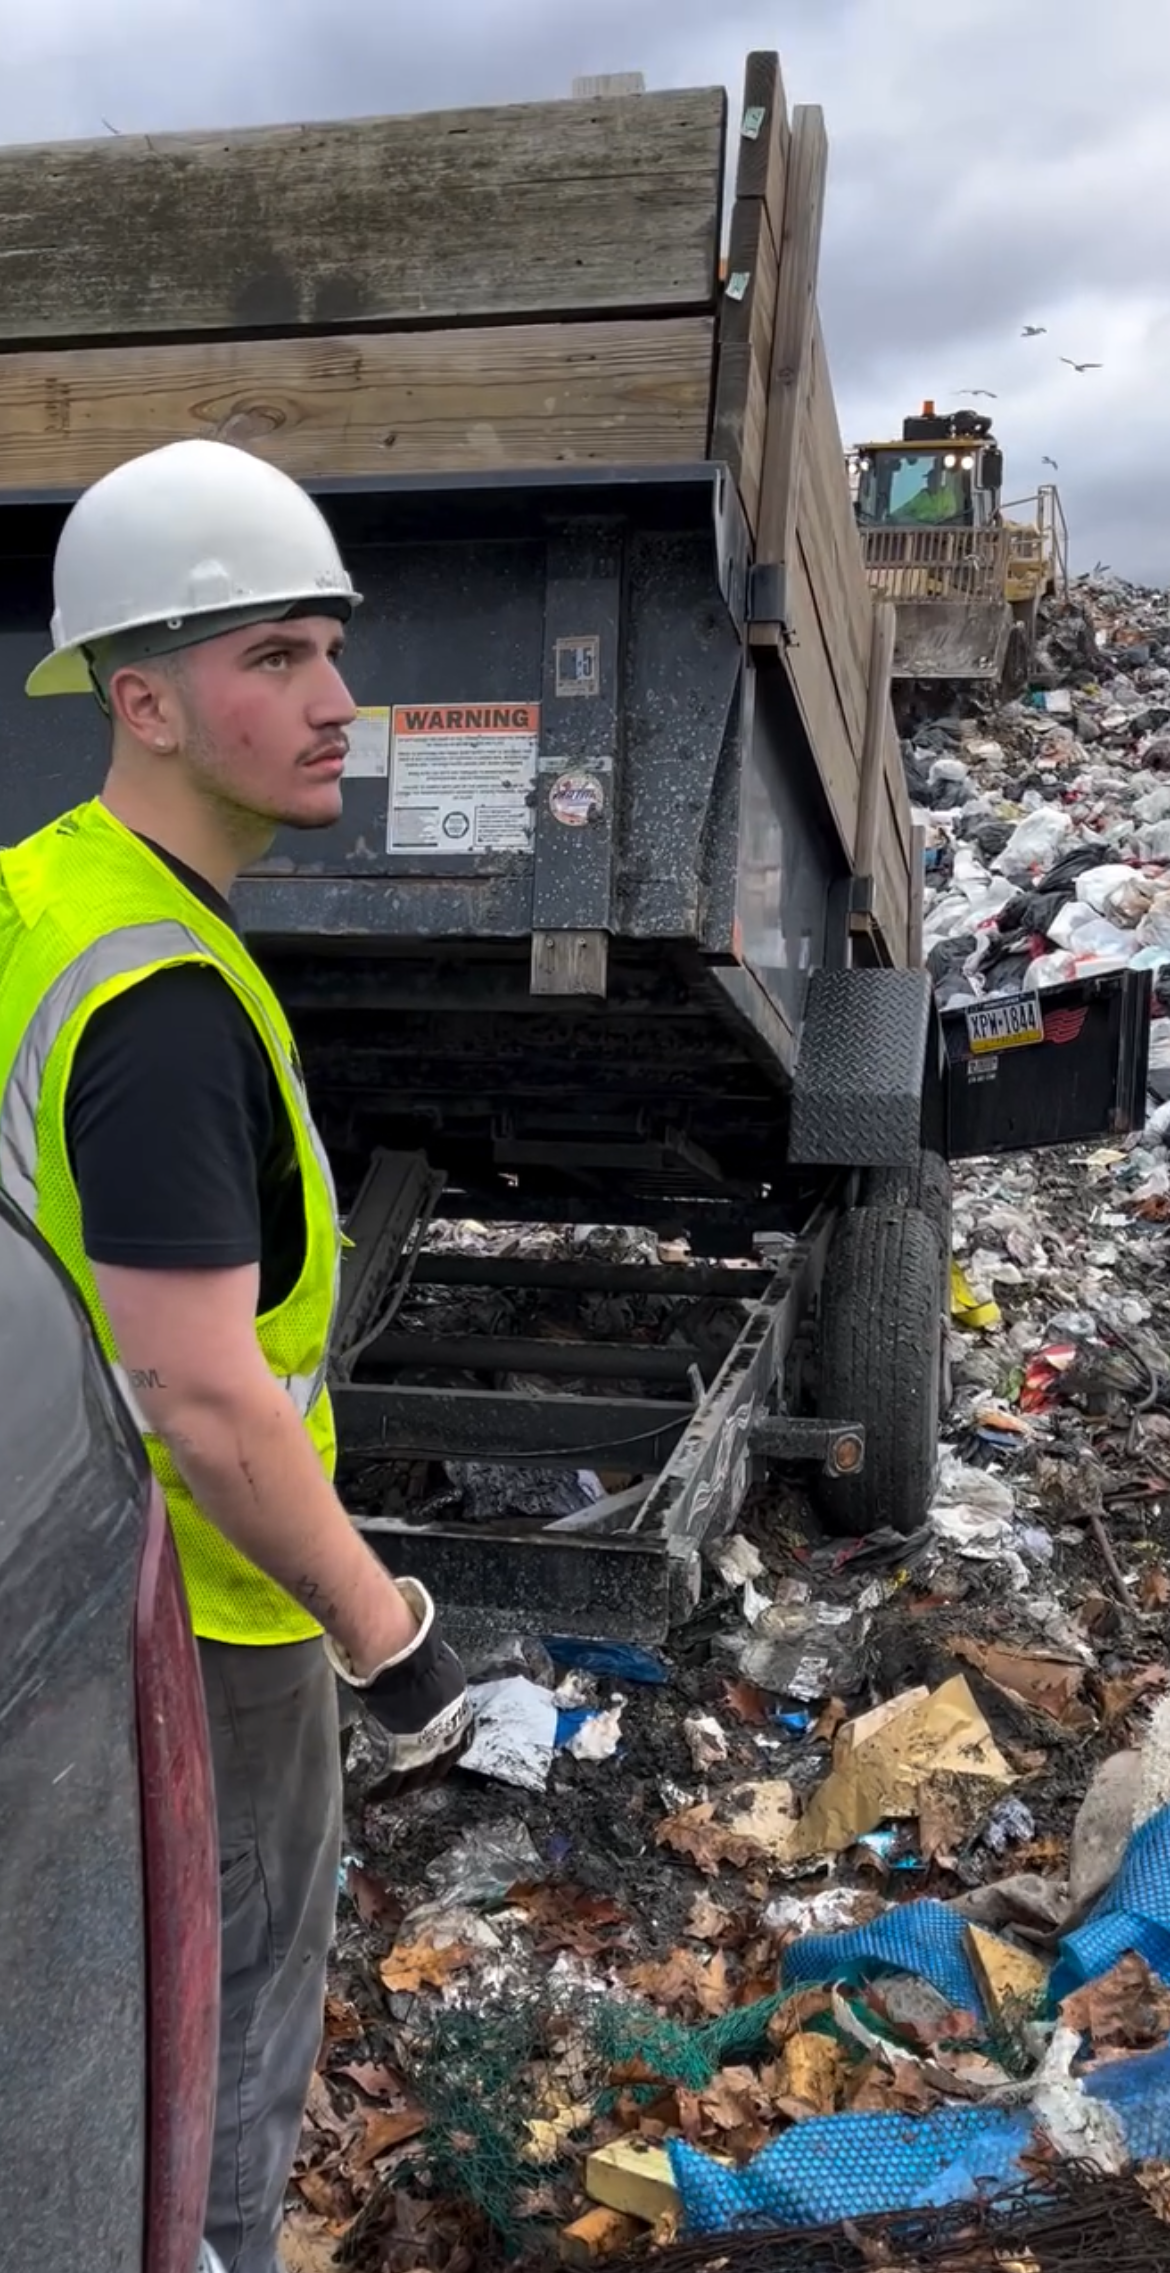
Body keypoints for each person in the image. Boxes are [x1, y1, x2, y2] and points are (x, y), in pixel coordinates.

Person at [0, 438, 473, 2273]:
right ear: (145, 698)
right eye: (276, 658)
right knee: (211, 2046)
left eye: (332, 651)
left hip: (50, 1581)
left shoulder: (47, 895)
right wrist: (391, 1636)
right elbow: (199, 1390)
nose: (339, 703)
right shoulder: (165, 1003)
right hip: (203, 1624)